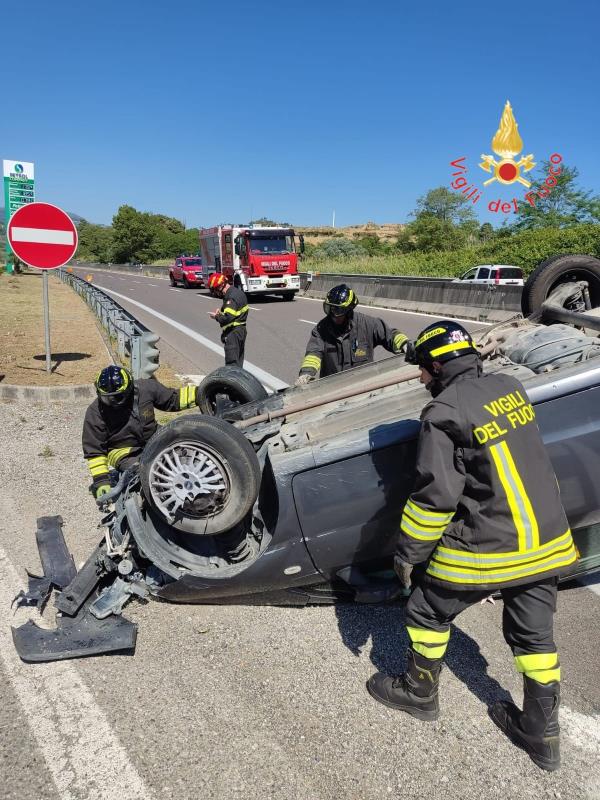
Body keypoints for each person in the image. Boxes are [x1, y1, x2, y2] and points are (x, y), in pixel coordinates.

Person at [366, 320, 577, 772]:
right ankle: (542, 735)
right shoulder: (510, 388)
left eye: (423, 369)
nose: (421, 378)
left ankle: (419, 693)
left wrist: (408, 554)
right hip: (548, 541)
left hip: (493, 545)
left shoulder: (443, 414)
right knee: (534, 636)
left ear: (439, 365)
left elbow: (434, 497)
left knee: (426, 609)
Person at [82, 365, 199, 499]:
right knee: (146, 474)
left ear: (129, 388)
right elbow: (95, 450)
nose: (113, 402)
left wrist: (201, 393)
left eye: (118, 397)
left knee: (183, 449)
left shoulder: (146, 388)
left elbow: (173, 399)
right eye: (107, 398)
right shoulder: (95, 412)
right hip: (122, 451)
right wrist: (101, 481)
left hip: (153, 437)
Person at [294, 284, 408, 385]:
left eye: (338, 311)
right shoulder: (320, 330)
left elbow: (390, 334)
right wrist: (306, 374)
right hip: (332, 390)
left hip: (363, 388)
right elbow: (313, 353)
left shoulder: (368, 324)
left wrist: (405, 344)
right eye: (331, 309)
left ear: (349, 310)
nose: (333, 315)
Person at [207, 273, 249, 368]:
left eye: (216, 289)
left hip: (233, 333)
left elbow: (228, 317)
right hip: (240, 331)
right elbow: (234, 313)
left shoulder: (231, 297)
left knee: (232, 364)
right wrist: (221, 313)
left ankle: (232, 382)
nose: (216, 292)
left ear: (221, 285)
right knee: (238, 363)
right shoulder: (237, 292)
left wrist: (217, 317)